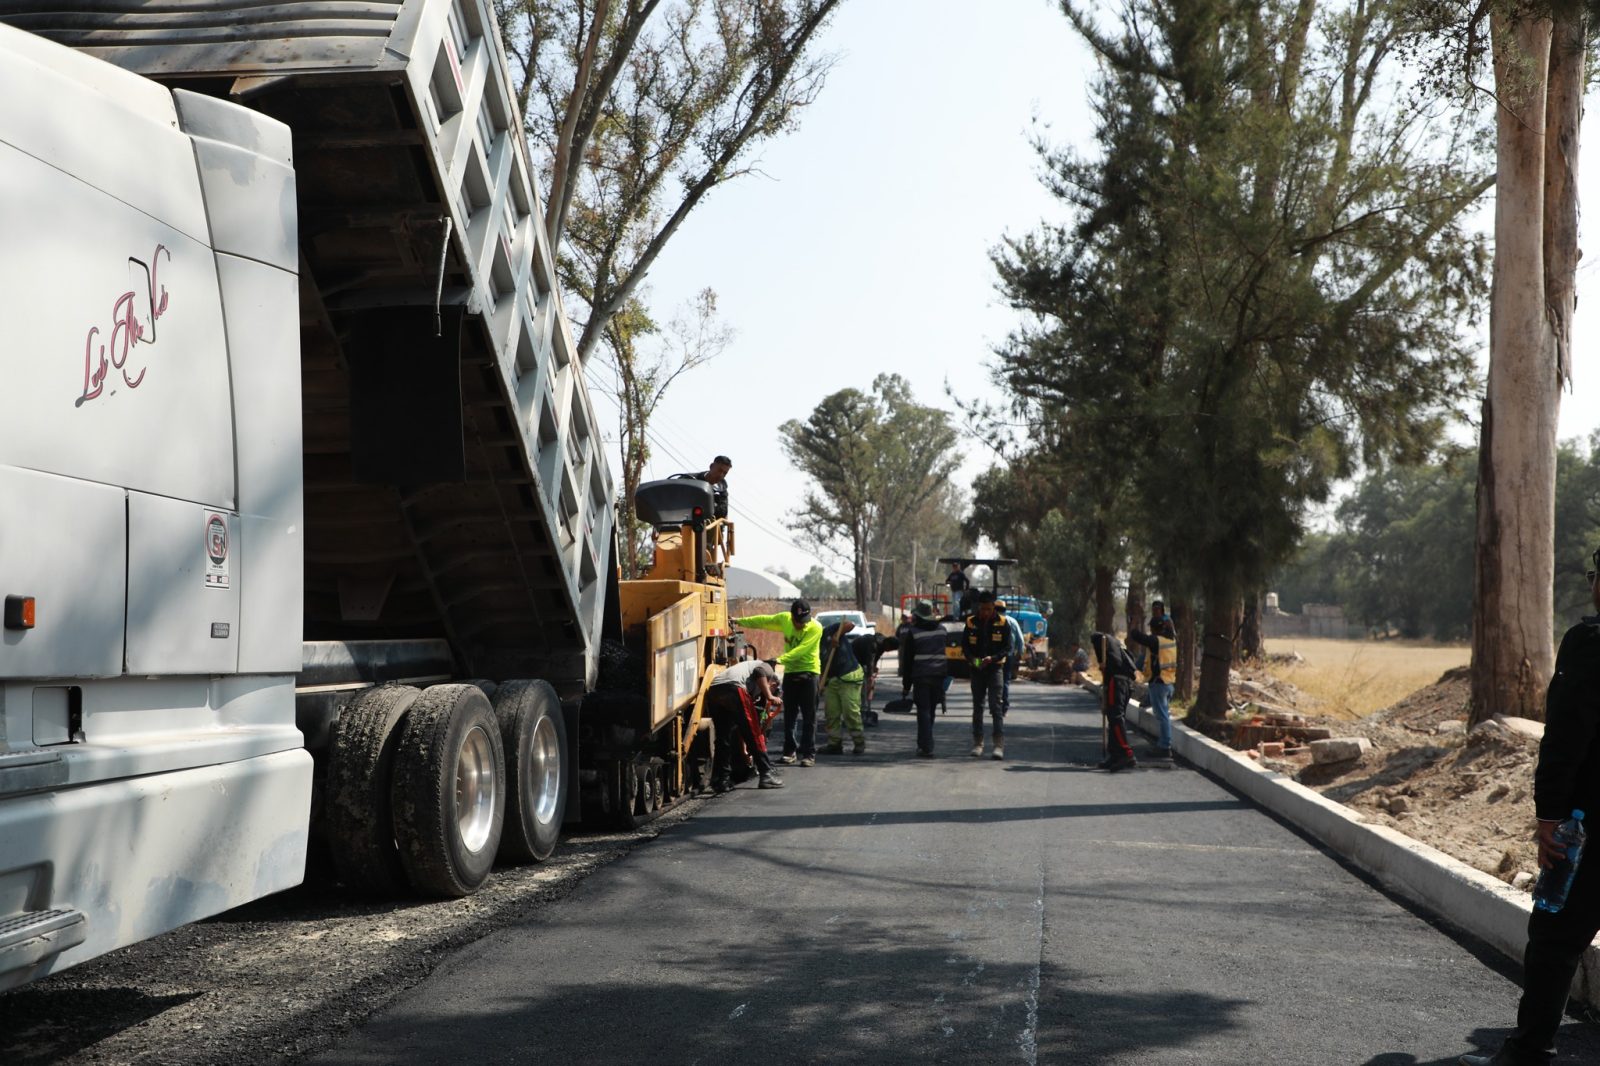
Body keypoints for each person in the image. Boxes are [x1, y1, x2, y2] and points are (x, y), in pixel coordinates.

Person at [1459, 552, 1600, 1066]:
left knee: (1555, 936)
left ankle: (1529, 1051)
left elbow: (1565, 740)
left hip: (1588, 823)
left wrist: (1549, 817)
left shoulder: (1590, 644)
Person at [732, 599, 822, 766]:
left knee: (810, 716)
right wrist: (739, 621)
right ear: (792, 617)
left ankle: (808, 754)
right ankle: (789, 752)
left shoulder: (816, 627)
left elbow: (802, 650)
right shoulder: (784, 619)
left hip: (809, 674)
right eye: (798, 621)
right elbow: (764, 621)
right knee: (790, 715)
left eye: (804, 621)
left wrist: (779, 659)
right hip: (791, 673)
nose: (801, 625)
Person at [705, 659, 783, 791]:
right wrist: (770, 696)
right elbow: (760, 672)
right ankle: (766, 774)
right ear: (773, 684)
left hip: (715, 691)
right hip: (734, 688)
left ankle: (721, 780)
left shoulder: (747, 673)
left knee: (723, 738)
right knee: (754, 733)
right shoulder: (767, 669)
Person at [964, 590, 1011, 760]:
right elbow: (965, 648)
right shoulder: (970, 623)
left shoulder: (1003, 623)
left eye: (989, 609)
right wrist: (974, 661)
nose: (985, 612)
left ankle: (998, 745)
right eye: (983, 609)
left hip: (995, 669)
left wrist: (993, 658)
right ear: (979, 607)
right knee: (978, 707)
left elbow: (1007, 647)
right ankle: (978, 743)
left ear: (993, 607)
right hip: (977, 670)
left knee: (995, 707)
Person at [899, 599, 949, 756]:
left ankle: (926, 746)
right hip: (939, 676)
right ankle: (925, 743)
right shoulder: (942, 630)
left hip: (921, 677)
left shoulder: (913, 633)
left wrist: (906, 686)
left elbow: (907, 662)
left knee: (923, 711)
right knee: (931, 711)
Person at [1127, 609, 1177, 760]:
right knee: (1164, 715)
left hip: (1159, 683)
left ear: (1155, 629)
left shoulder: (1156, 641)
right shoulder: (1171, 640)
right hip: (1169, 683)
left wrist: (1134, 623)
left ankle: (1165, 747)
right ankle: (1164, 745)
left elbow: (1136, 636)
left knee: (1162, 717)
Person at [1090, 631, 1139, 772]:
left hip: (1117, 681)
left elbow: (1108, 666)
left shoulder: (1102, 642)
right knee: (1114, 717)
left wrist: (1104, 668)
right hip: (1124, 681)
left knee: (1115, 717)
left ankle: (1126, 753)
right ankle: (1115, 754)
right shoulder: (1116, 646)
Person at [819, 617, 868, 755]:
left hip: (849, 675)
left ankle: (859, 743)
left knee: (850, 712)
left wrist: (837, 635)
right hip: (832, 680)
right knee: (831, 713)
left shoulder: (829, 631)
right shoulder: (814, 646)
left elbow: (850, 624)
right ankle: (834, 744)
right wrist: (820, 684)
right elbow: (821, 667)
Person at [998, 599, 1026, 714]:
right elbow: (1020, 639)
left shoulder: (991, 621)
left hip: (994, 657)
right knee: (1005, 681)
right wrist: (1020, 653)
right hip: (1009, 656)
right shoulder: (1012, 621)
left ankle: (994, 704)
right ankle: (1004, 705)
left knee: (993, 681)